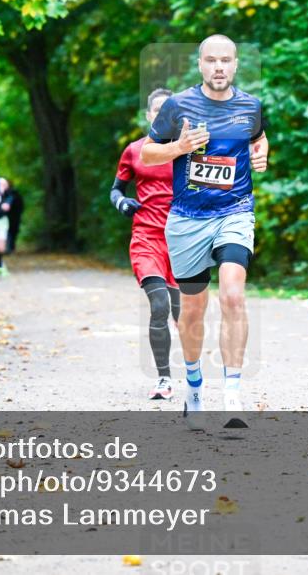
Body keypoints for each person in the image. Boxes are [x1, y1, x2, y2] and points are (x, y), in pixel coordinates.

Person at [140, 35, 269, 431]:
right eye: (211, 60)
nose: (218, 67)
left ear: (235, 64)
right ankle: (194, 387)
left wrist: (263, 152)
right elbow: (147, 153)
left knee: (233, 294)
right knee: (193, 312)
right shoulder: (178, 105)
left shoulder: (251, 106)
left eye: (225, 61)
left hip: (235, 212)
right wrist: (178, 147)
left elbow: (258, 138)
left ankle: (232, 395)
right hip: (187, 220)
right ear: (200, 64)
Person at [111, 88, 182, 400]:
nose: (162, 114)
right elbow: (116, 189)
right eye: (157, 110)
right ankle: (164, 378)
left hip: (183, 242)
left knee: (184, 315)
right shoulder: (134, 150)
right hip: (147, 239)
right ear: (149, 115)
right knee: (160, 306)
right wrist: (122, 203)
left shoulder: (189, 151)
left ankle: (193, 375)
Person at [3, 178, 24, 252]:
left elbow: (20, 205)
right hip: (8, 217)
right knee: (9, 232)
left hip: (14, 216)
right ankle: (9, 247)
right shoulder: (0, 194)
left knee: (13, 231)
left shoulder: (14, 193)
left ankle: (11, 247)